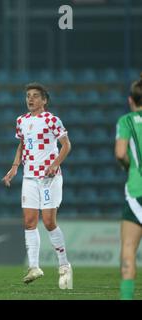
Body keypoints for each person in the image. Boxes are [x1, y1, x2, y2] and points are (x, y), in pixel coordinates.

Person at [2, 83, 73, 289]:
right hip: (29, 177)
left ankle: (64, 264)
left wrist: (55, 164)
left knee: (49, 221)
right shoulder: (21, 121)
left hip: (49, 178)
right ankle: (34, 266)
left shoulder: (52, 120)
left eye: (35, 96)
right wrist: (14, 167)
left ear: (44, 100)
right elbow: (22, 144)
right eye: (28, 96)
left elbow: (67, 145)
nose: (30, 99)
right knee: (29, 221)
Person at [115, 73, 142, 300]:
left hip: (137, 192)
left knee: (128, 250)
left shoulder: (126, 121)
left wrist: (128, 166)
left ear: (130, 100)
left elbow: (121, 153)